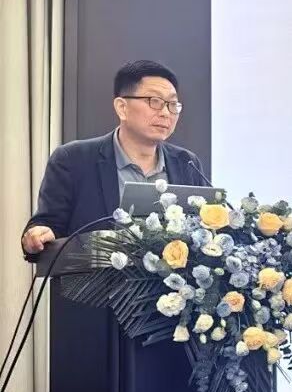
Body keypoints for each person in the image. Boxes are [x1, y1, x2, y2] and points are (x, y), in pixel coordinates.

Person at [22, 60, 206, 258]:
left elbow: (201, 231)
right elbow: (48, 226)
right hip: (93, 277)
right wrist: (38, 236)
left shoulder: (186, 163)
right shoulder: (73, 160)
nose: (165, 113)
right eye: (155, 101)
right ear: (122, 107)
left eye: (172, 104)